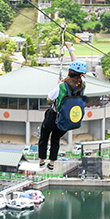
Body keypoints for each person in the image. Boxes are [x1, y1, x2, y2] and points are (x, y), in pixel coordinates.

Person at [38, 42, 87, 171]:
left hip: (54, 116)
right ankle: (51, 163)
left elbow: (49, 98)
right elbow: (77, 68)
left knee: (44, 136)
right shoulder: (83, 84)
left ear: (70, 71)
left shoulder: (62, 86)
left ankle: (42, 160)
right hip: (66, 119)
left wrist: (59, 85)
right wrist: (70, 49)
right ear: (82, 74)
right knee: (55, 139)